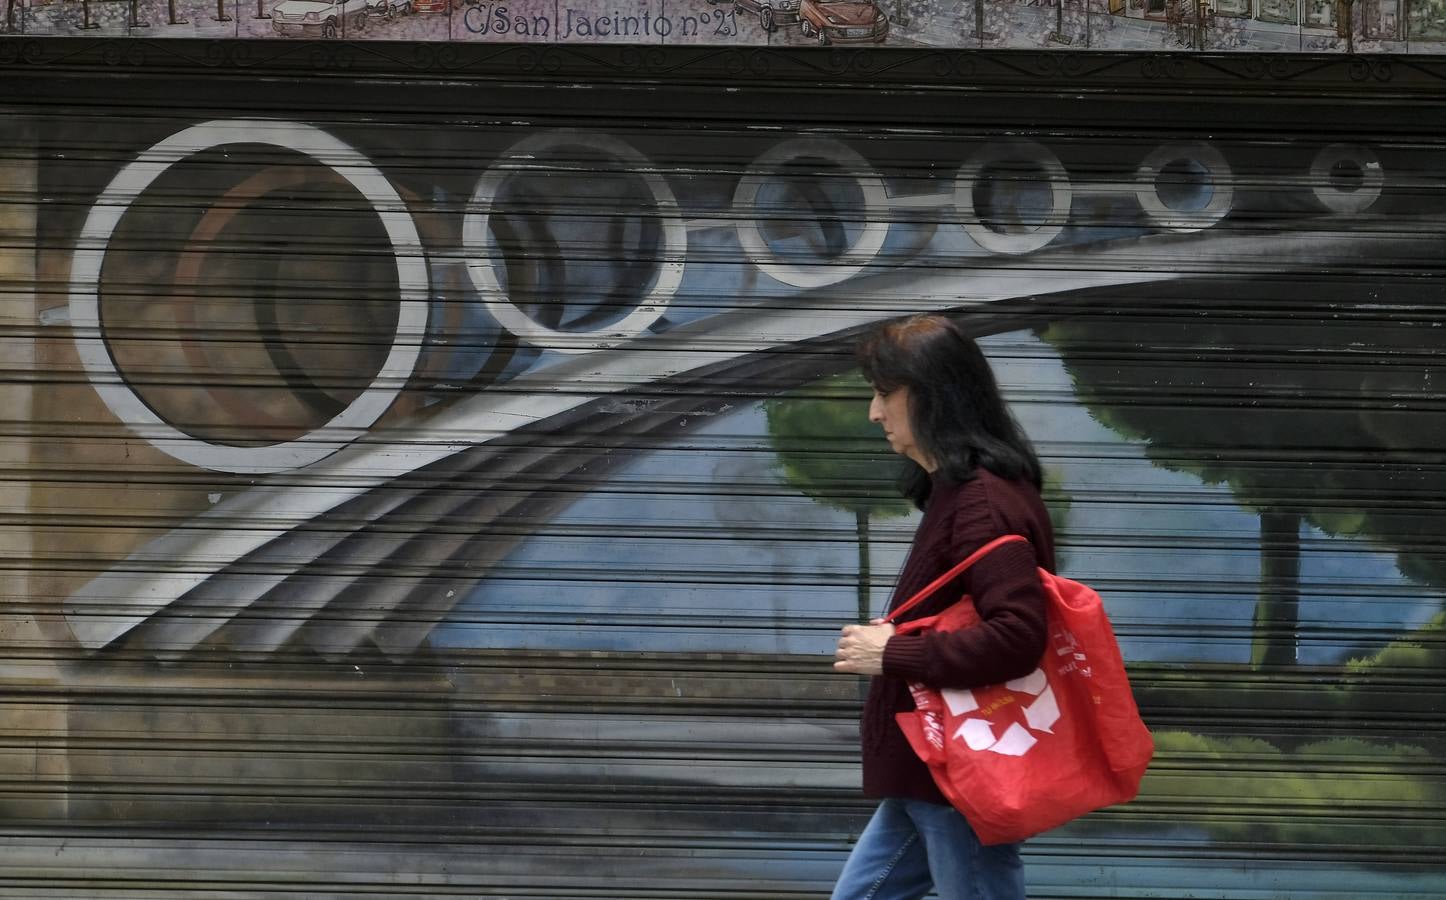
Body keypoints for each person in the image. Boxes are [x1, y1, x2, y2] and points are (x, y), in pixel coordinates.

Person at [831, 313, 1056, 900]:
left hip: (962, 768)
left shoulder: (982, 502)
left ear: (930, 396)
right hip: (934, 767)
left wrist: (894, 652)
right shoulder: (961, 493)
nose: (874, 413)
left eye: (884, 394)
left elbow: (1017, 635)